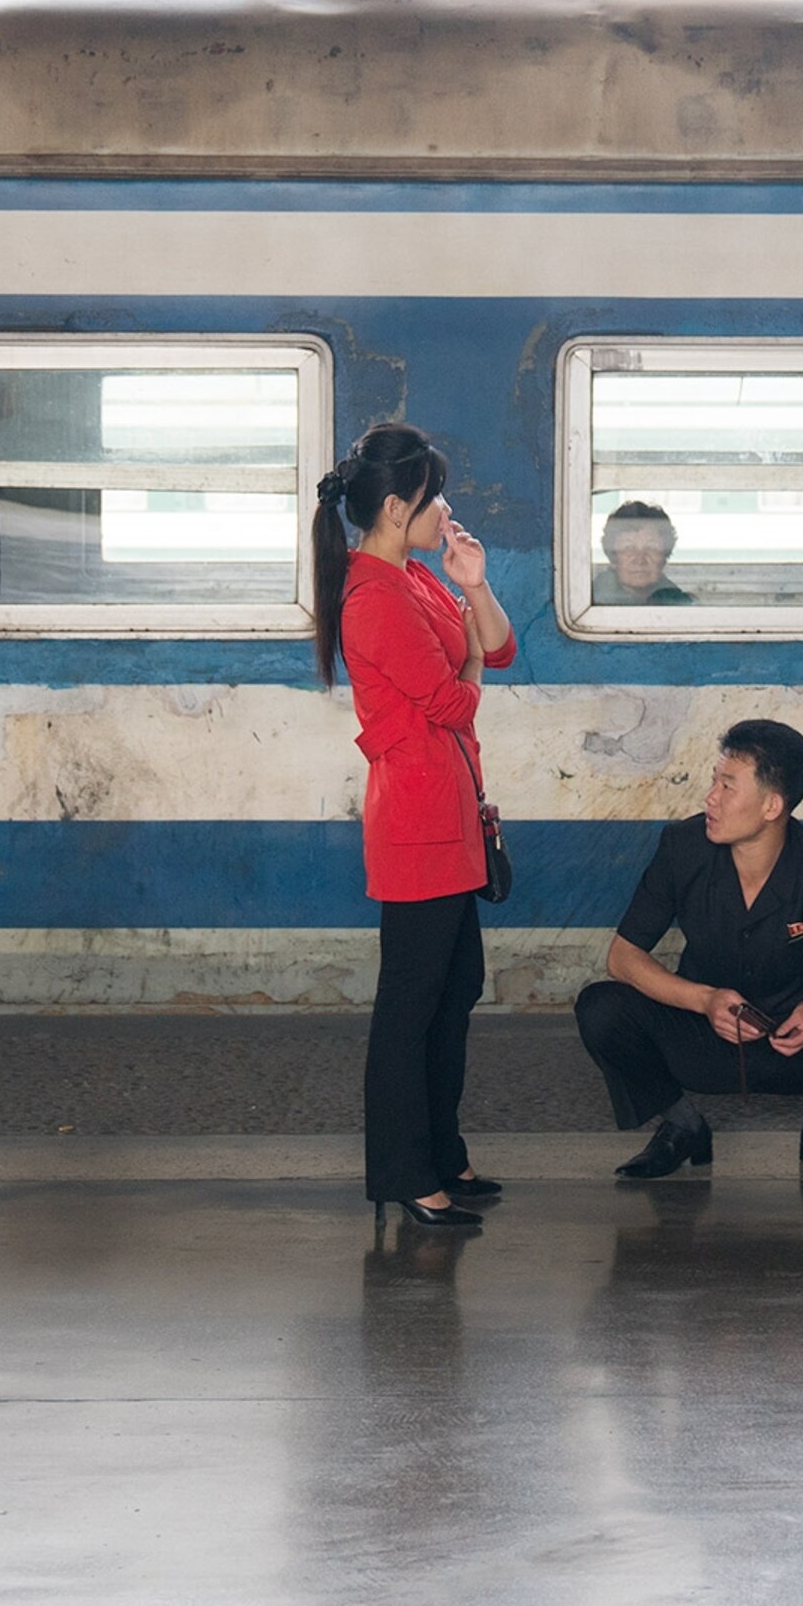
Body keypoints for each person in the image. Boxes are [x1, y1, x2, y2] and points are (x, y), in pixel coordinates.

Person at [575, 719, 803, 1183]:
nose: (711, 797)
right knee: (601, 1007)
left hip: (800, 1045)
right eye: (714, 781)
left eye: (727, 786)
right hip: (705, 1038)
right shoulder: (681, 848)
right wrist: (703, 1000)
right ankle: (681, 1126)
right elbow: (623, 957)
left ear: (772, 805)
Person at [313, 421, 517, 1234]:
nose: (449, 513)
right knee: (411, 1003)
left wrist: (473, 582)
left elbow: (496, 651)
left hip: (454, 811)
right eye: (437, 500)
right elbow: (455, 698)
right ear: (397, 508)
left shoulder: (422, 580)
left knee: (455, 987)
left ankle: (442, 1150)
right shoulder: (371, 597)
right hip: (417, 824)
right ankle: (404, 1171)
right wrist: (465, 663)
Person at [596, 499, 695, 605]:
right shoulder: (592, 600)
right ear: (613, 557)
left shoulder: (681, 605)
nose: (640, 560)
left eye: (651, 548)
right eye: (628, 548)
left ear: (664, 557)